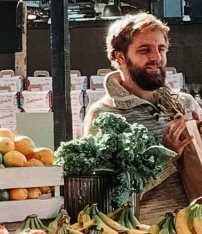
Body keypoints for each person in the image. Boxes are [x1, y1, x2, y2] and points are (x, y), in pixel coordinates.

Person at [84, 13, 202, 223]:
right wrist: (165, 156)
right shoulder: (104, 115)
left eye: (161, 49)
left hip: (195, 232)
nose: (157, 58)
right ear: (119, 57)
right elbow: (108, 197)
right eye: (144, 50)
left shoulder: (186, 104)